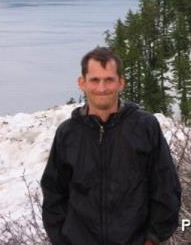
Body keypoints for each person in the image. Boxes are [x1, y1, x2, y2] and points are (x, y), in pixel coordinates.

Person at [41, 47, 181, 245]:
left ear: (121, 83)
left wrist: (153, 238)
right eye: (95, 80)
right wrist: (62, 240)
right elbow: (53, 193)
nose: (102, 88)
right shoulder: (68, 133)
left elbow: (166, 187)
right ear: (82, 83)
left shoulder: (144, 127)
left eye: (109, 79)